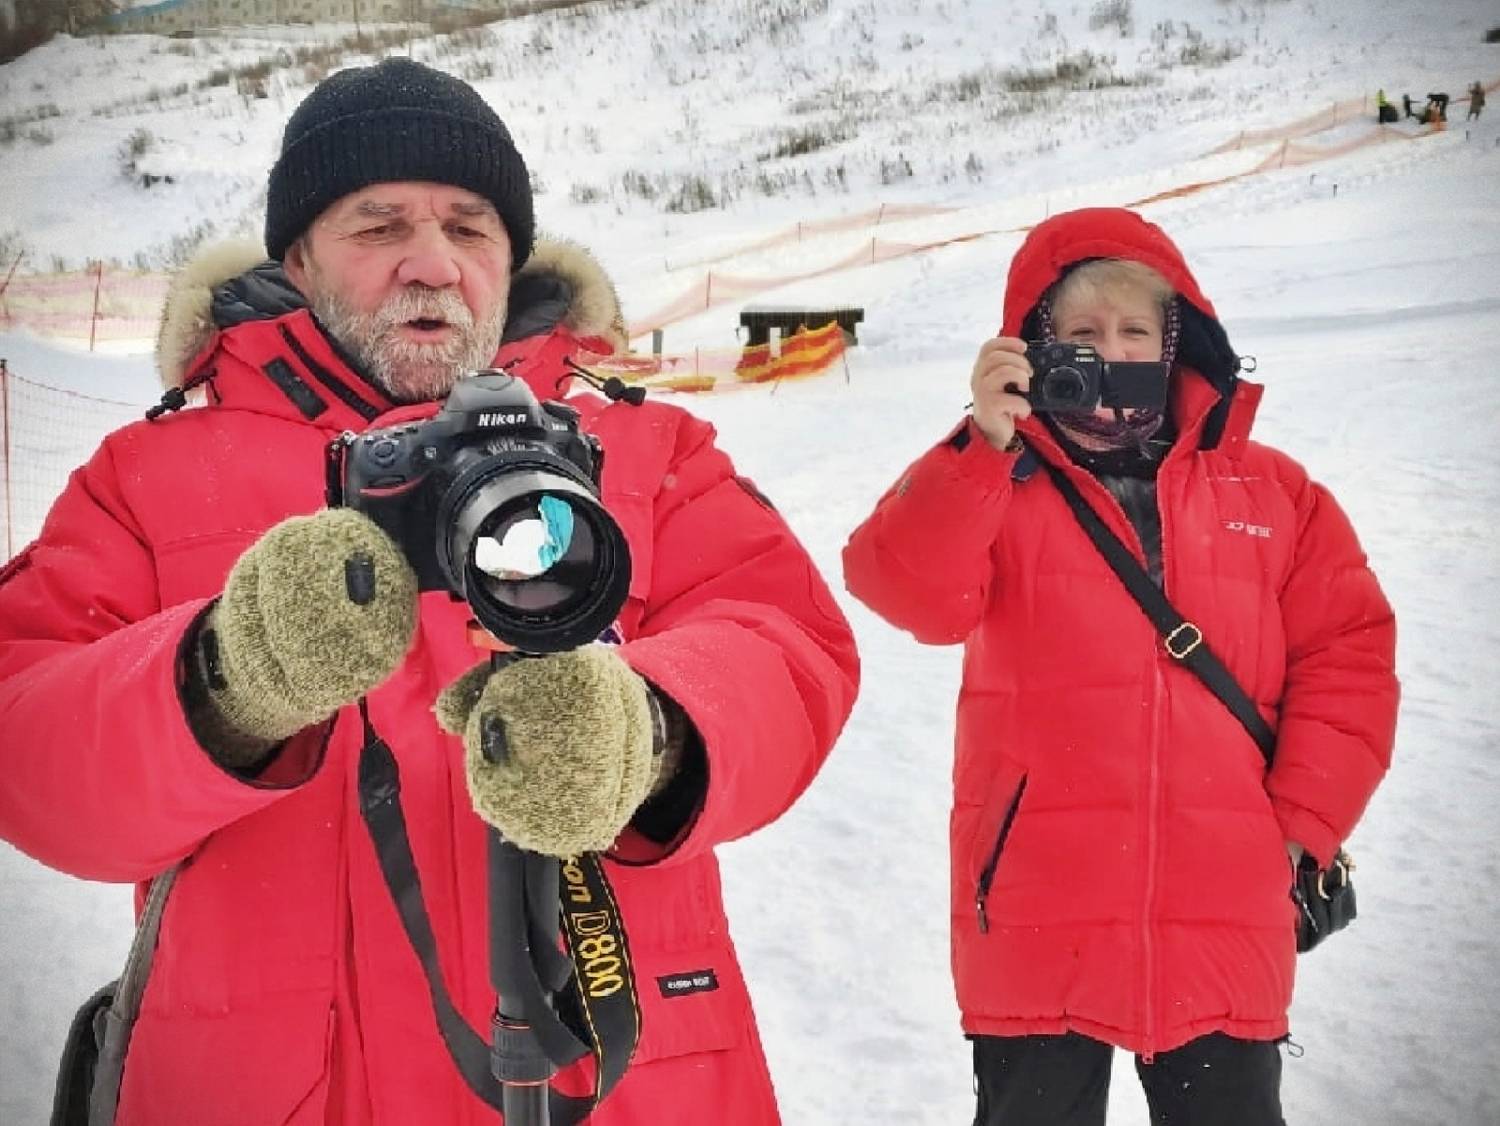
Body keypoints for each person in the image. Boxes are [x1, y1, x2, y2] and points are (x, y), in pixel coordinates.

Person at [0, 58, 859, 1125]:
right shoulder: (149, 476)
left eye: (469, 227)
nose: (434, 263)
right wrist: (227, 680)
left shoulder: (646, 448)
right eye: (378, 225)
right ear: (299, 256)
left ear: (509, 258)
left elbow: (789, 649)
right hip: (274, 1088)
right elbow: (28, 748)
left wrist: (651, 735)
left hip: (621, 1074)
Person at [842, 207, 1398, 1125]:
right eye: (1084, 333)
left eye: (1136, 329)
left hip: (1224, 905)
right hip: (1035, 904)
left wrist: (1300, 826)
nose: (1113, 350)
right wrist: (980, 446)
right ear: (1036, 344)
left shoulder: (1275, 491)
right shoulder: (998, 478)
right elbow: (901, 589)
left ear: (1177, 342)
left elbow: (1351, 658)